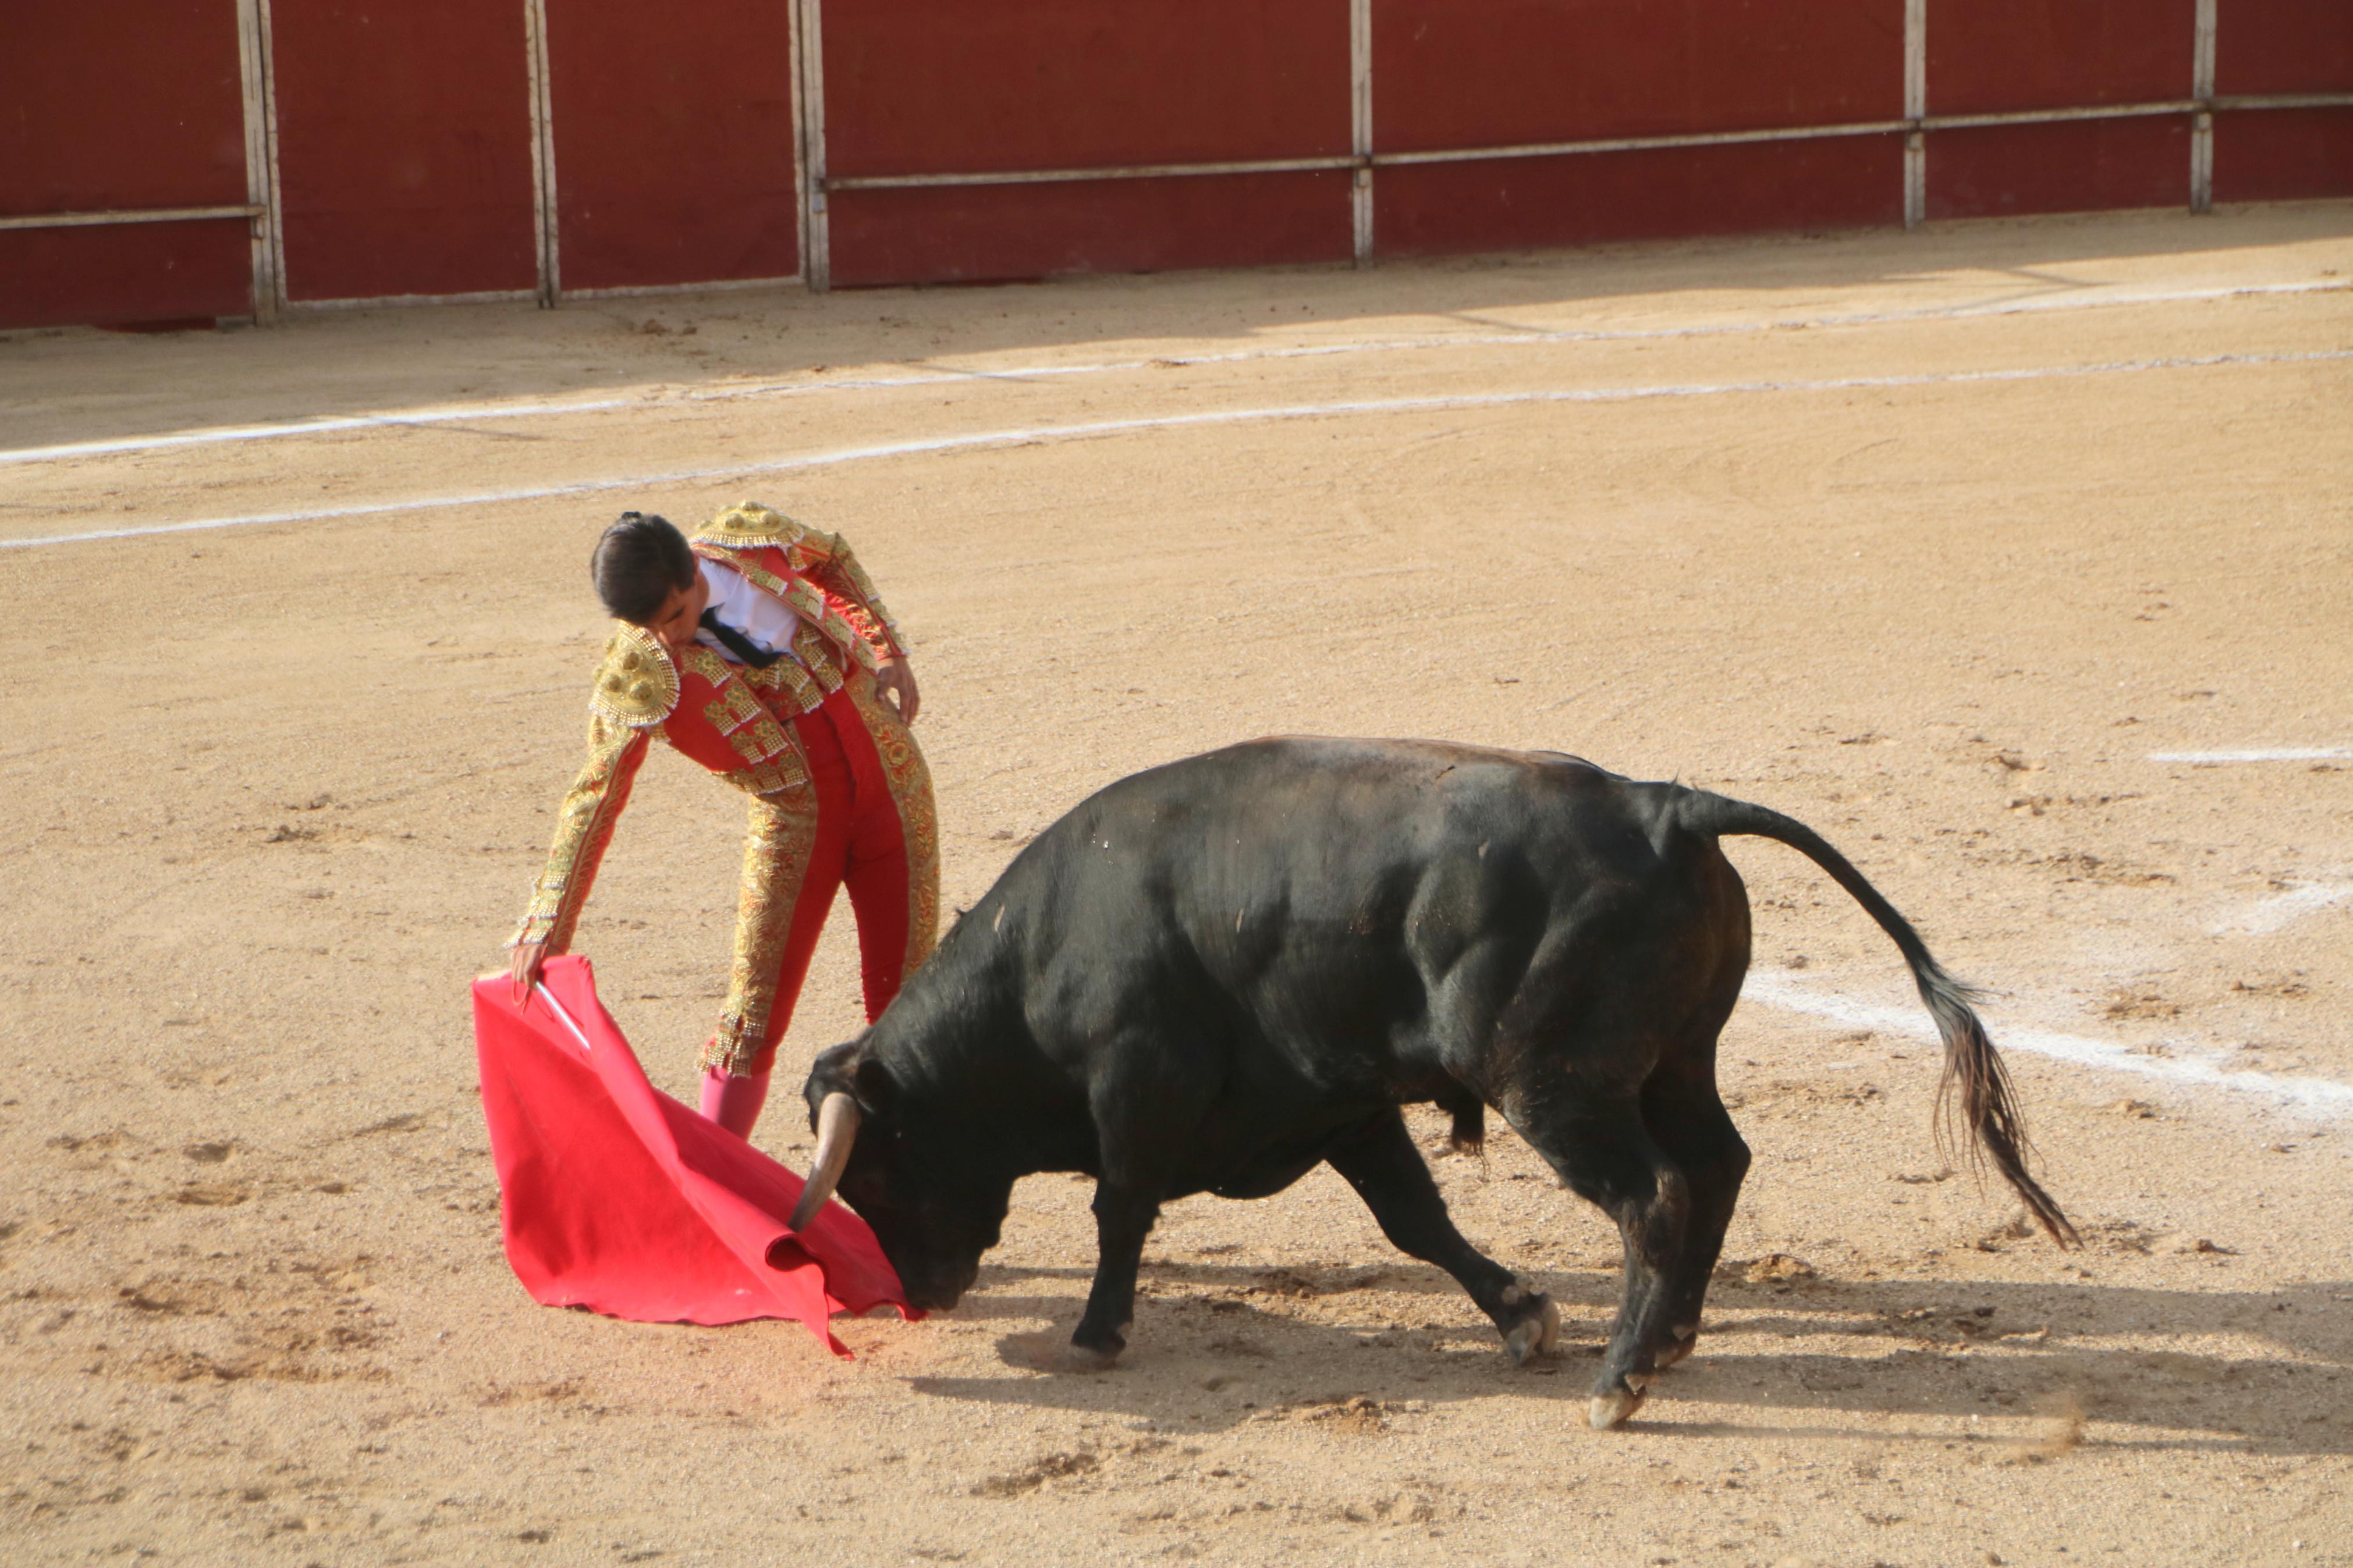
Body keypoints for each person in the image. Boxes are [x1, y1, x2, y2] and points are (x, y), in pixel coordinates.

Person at [507, 502, 939, 1139]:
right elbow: (597, 791)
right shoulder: (639, 669)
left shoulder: (752, 544)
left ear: (691, 572)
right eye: (647, 628)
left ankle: (915, 1169)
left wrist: (887, 646)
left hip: (895, 787)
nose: (665, 639)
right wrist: (548, 918)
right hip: (797, 825)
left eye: (674, 617)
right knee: (750, 1022)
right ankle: (715, 1181)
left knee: (907, 1001)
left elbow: (833, 555)